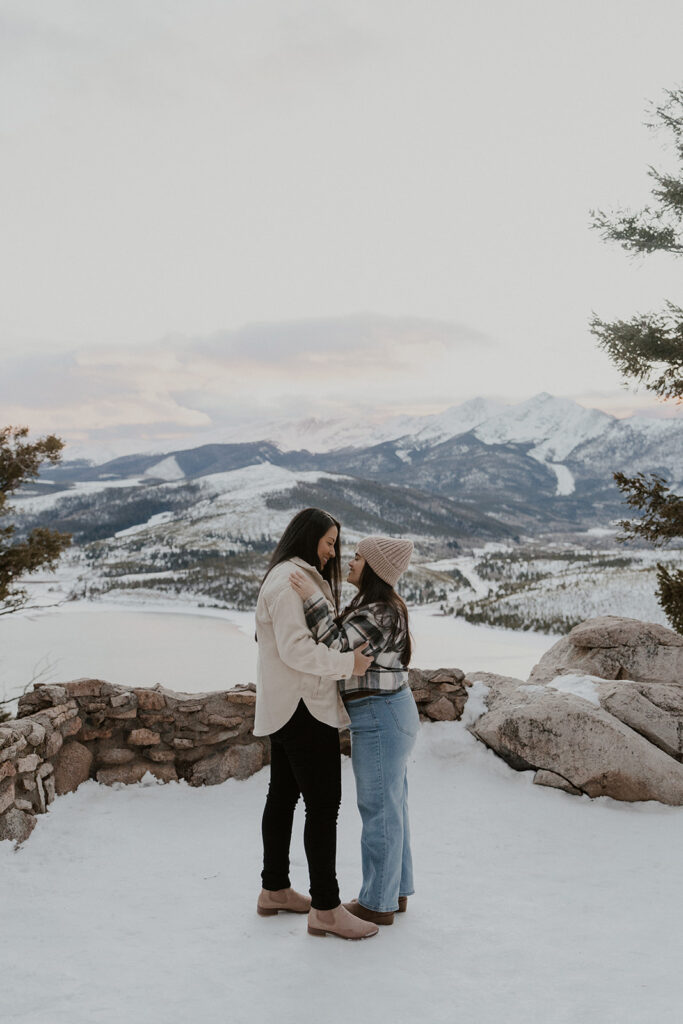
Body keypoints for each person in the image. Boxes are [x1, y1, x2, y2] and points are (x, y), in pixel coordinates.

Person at [253, 508, 378, 941]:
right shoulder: (290, 581)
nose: (331, 553)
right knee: (323, 806)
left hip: (286, 705)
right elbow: (296, 649)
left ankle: (274, 888)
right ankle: (325, 908)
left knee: (283, 797)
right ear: (308, 538)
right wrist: (348, 664)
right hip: (304, 705)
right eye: (328, 543)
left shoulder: (285, 575)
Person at [290, 535, 418, 927]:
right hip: (388, 713)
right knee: (392, 807)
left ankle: (377, 904)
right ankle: (395, 893)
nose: (350, 561)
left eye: (359, 558)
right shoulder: (377, 606)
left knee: (379, 810)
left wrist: (312, 597)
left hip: (380, 716)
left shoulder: (379, 613)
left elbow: (336, 645)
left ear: (374, 568)